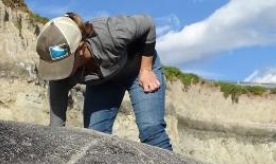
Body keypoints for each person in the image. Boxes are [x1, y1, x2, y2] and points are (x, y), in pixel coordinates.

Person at [35, 12, 173, 151]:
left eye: (63, 64)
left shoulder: (109, 33)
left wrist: (146, 69)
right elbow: (56, 127)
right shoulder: (59, 77)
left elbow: (147, 23)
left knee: (151, 131)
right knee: (94, 138)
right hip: (103, 82)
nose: (59, 71)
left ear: (81, 48)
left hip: (138, 69)